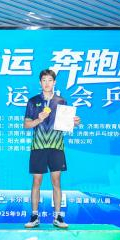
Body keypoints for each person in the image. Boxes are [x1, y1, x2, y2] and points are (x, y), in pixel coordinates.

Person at [23, 69, 80, 229]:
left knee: (56, 182)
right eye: (44, 80)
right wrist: (38, 119)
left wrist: (74, 123)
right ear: (40, 82)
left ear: (54, 82)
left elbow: (66, 124)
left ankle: (58, 217)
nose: (47, 83)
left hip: (56, 146)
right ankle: (34, 216)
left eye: (50, 80)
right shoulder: (33, 101)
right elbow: (26, 125)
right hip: (38, 146)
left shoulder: (61, 101)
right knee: (36, 181)